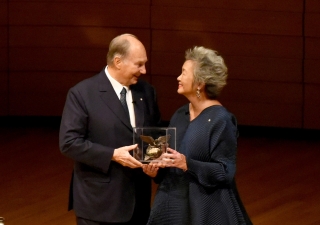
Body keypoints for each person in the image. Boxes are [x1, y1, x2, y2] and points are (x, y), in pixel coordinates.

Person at [142, 46, 252, 225]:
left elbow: (225, 172)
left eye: (184, 73)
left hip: (206, 209)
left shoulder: (221, 120)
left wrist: (187, 163)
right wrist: (155, 169)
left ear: (200, 82)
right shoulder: (180, 115)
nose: (178, 77)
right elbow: (169, 160)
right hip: (172, 208)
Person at [59, 34, 161, 225]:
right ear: (118, 61)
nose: (144, 70)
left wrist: (155, 163)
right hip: (99, 205)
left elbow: (153, 135)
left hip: (138, 204)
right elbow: (69, 142)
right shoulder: (82, 94)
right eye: (139, 64)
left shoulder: (146, 92)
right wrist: (113, 155)